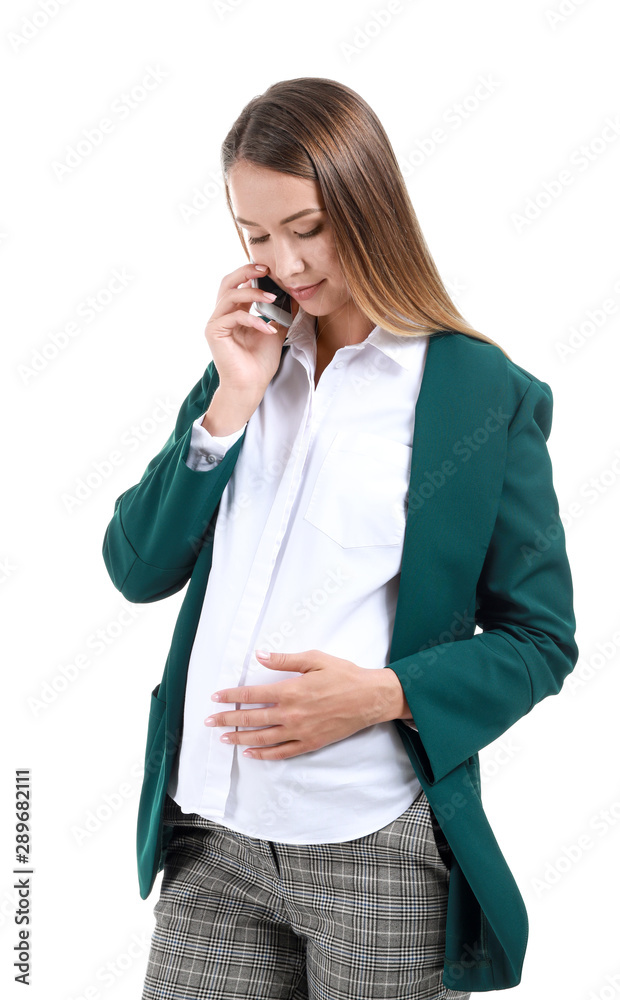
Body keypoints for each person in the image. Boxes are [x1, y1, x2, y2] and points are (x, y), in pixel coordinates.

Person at [101, 77, 578, 999]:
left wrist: (384, 695)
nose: (285, 263)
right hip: (211, 839)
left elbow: (541, 640)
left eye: (308, 228)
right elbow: (137, 567)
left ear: (369, 205)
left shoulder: (482, 395)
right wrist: (231, 400)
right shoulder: (245, 368)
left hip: (373, 846)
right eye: (255, 236)